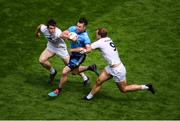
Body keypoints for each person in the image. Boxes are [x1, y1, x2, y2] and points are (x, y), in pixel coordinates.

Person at [84, 28, 155, 100]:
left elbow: (88, 49)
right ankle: (88, 97)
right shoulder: (108, 39)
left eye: (96, 34)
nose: (95, 35)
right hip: (111, 68)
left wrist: (81, 48)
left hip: (118, 70)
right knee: (99, 81)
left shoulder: (100, 42)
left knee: (124, 89)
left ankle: (146, 87)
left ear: (99, 35)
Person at [48, 17, 99, 97]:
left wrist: (78, 50)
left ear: (84, 27)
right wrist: (69, 37)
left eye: (80, 27)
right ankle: (90, 67)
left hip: (79, 57)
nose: (77, 28)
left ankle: (58, 90)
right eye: (77, 25)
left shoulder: (85, 37)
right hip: (72, 55)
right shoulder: (72, 28)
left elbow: (89, 49)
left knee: (65, 71)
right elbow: (62, 34)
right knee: (74, 72)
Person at [35, 19, 89, 86]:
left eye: (53, 28)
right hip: (51, 47)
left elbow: (63, 36)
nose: (52, 30)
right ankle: (53, 72)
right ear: (47, 27)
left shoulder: (57, 32)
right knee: (41, 60)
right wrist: (37, 32)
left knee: (71, 66)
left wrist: (71, 38)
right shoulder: (44, 28)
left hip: (61, 49)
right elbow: (40, 26)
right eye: (50, 28)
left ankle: (85, 77)